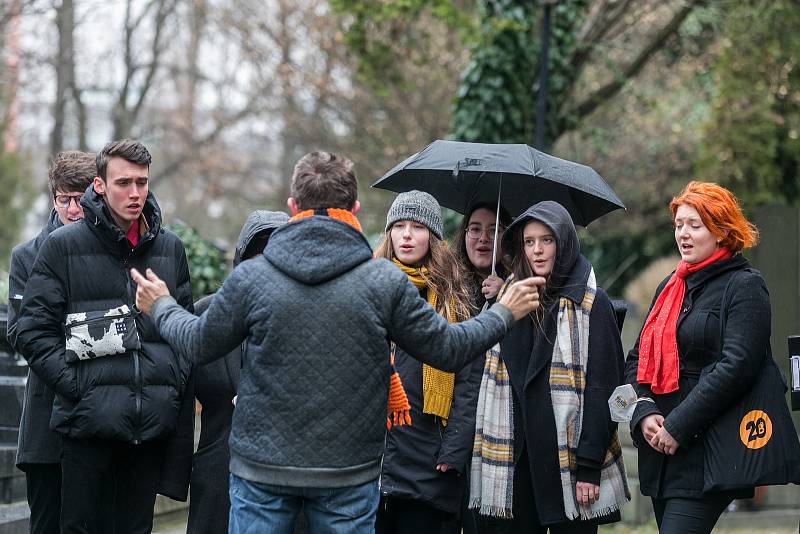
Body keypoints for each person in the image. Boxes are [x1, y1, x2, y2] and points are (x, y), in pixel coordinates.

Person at [131, 151, 545, 534]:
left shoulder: (252, 279)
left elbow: (199, 343)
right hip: (348, 477)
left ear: (293, 208)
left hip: (262, 472)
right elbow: (449, 348)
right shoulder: (382, 283)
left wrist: (162, 305)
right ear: (355, 211)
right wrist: (503, 312)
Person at [15, 139, 194, 534]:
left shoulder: (170, 248)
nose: (134, 193)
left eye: (142, 183)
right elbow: (30, 330)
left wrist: (168, 389)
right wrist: (79, 387)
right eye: (123, 182)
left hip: (147, 429)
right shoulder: (62, 246)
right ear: (100, 185)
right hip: (86, 428)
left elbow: (185, 331)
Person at [470, 201, 628, 534]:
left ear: (564, 242)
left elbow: (604, 388)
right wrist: (502, 306)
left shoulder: (591, 302)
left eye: (547, 240)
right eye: (529, 242)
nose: (538, 251)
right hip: (516, 459)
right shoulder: (511, 301)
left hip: (567, 463)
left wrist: (588, 466)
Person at [624, 181, 766, 534]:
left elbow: (738, 366)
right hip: (661, 456)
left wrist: (679, 424)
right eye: (678, 225)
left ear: (721, 231)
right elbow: (635, 359)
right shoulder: (671, 285)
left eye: (695, 225)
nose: (683, 234)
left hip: (708, 452)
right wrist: (644, 412)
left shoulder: (745, 285)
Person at [374, 191, 482, 533]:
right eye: (400, 225)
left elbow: (468, 382)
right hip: (372, 459)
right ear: (389, 233)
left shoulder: (455, 296)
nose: (406, 235)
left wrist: (452, 453)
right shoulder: (368, 286)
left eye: (417, 227)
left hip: (429, 462)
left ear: (432, 237)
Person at [7, 151, 95, 534]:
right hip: (46, 421)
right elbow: (22, 332)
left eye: (82, 198)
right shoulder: (26, 257)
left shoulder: (113, 253)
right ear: (53, 199)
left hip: (100, 417)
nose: (74, 209)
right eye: (65, 199)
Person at [187, 209, 290, 534]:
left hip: (287, 480)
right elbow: (178, 396)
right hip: (219, 477)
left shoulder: (310, 319)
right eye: (256, 255)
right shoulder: (207, 314)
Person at [451, 202, 512, 311]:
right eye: (475, 229)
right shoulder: (445, 283)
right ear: (464, 235)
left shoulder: (524, 286)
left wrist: (504, 298)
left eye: (494, 230)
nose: (483, 238)